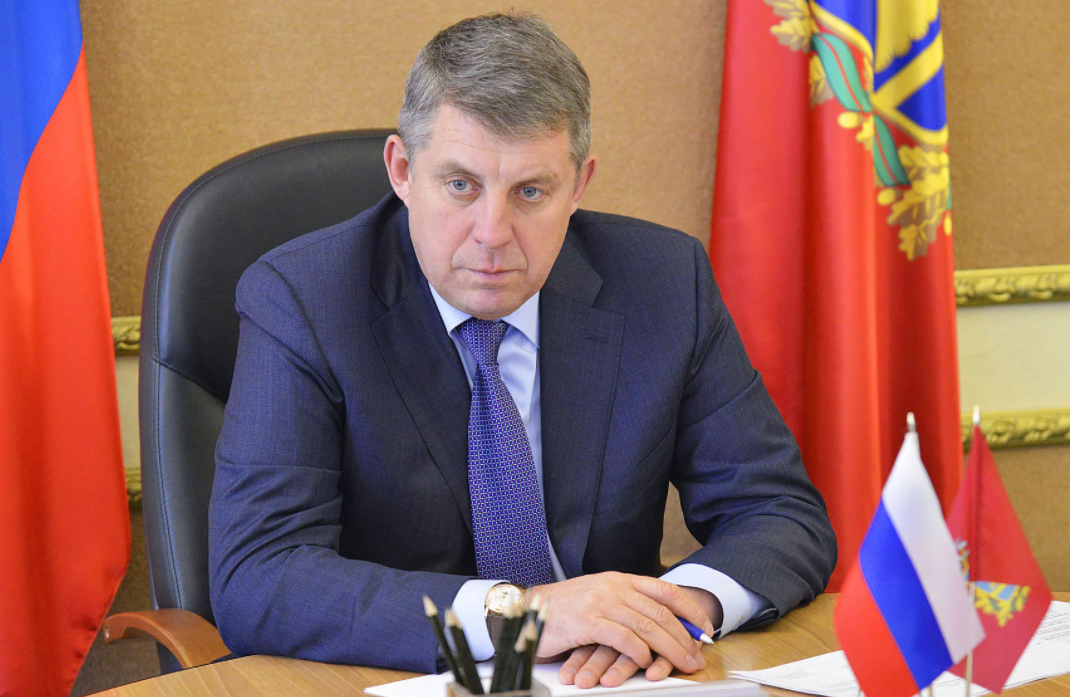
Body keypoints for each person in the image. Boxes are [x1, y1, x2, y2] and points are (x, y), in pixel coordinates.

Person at [208, 11, 836, 689]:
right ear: (402, 170)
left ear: (579, 185)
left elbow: (778, 512)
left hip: (607, 680)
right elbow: (259, 577)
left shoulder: (661, 283)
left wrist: (670, 613)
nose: (492, 233)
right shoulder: (304, 299)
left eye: (530, 192)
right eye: (461, 185)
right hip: (395, 677)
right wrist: (522, 616)